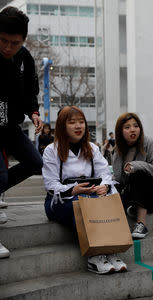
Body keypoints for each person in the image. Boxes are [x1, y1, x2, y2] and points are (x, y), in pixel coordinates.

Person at [42, 106, 127, 274]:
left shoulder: (92, 148)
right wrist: (74, 190)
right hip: (60, 200)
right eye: (72, 122)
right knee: (81, 206)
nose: (78, 126)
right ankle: (95, 256)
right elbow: (51, 184)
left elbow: (105, 173)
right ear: (61, 126)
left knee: (107, 201)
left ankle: (111, 251)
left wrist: (104, 186)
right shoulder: (51, 150)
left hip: (91, 196)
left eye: (81, 122)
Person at [0, 6, 44, 260]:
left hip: (10, 126)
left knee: (34, 162)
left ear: (23, 41)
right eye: (3, 41)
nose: (7, 48)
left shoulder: (24, 57)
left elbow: (31, 88)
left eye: (14, 43)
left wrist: (34, 112)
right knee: (0, 174)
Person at [112, 112, 153, 240]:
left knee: (139, 173)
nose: (132, 130)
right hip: (132, 194)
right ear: (120, 131)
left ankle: (141, 224)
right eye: (127, 127)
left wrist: (137, 165)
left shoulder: (149, 143)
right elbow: (119, 180)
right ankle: (129, 209)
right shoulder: (118, 150)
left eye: (136, 126)